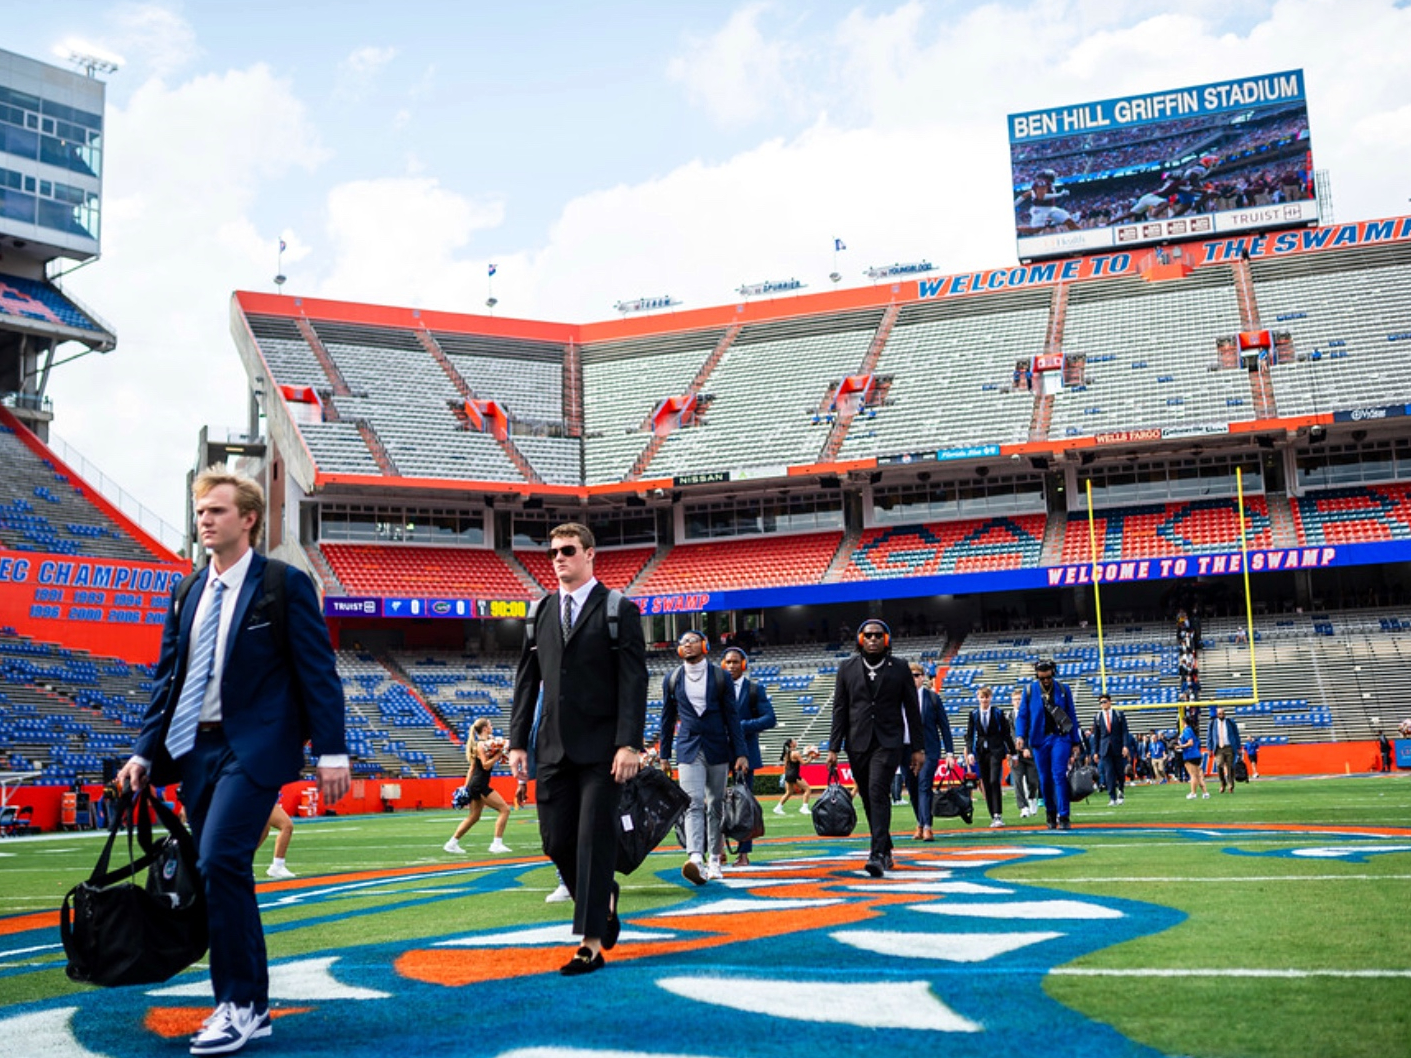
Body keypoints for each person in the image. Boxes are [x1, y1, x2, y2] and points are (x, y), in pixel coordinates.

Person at [116, 470, 348, 1056]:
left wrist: (331, 750)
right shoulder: (187, 590)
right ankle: (256, 1005)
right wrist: (145, 749)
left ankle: (236, 1003)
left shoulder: (283, 584)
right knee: (224, 872)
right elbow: (167, 680)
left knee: (220, 859)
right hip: (195, 751)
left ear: (248, 519)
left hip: (257, 747)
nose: (205, 520)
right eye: (200, 512)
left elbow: (318, 673)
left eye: (217, 510)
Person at [509, 522, 647, 976]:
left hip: (604, 751)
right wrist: (517, 742)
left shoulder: (617, 608)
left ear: (591, 555)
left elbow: (634, 680)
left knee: (593, 839)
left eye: (568, 550)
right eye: (553, 552)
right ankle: (604, 897)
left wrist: (630, 743)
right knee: (555, 841)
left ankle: (589, 943)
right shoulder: (540, 611)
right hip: (551, 748)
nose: (558, 558)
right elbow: (527, 681)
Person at [826, 619, 924, 877]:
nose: (873, 639)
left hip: (888, 741)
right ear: (860, 639)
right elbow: (840, 709)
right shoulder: (846, 668)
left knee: (877, 790)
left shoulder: (900, 667)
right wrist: (833, 747)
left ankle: (877, 854)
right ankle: (887, 846)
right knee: (869, 798)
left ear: (886, 639)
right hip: (857, 742)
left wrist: (917, 748)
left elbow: (912, 710)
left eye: (878, 635)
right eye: (868, 635)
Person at [658, 630, 748, 885]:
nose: (688, 645)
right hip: (687, 747)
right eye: (683, 642)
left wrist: (740, 752)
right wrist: (664, 753)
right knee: (694, 801)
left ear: (705, 645)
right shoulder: (672, 678)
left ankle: (715, 859)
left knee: (715, 804)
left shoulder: (720, 677)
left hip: (718, 746)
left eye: (693, 641)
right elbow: (666, 718)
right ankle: (695, 857)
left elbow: (732, 717)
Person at [721, 645, 776, 866]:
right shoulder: (715, 689)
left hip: (746, 754)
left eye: (736, 661)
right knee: (716, 802)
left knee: (744, 806)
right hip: (719, 752)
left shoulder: (754, 690)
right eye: (728, 662)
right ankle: (718, 850)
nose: (732, 665)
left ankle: (744, 854)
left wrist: (741, 726)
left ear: (743, 665)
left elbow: (769, 718)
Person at [1014, 659, 1081, 830]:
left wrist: (1075, 741)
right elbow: (1022, 715)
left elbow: (1071, 715)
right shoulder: (1029, 691)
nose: (1045, 681)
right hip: (1039, 740)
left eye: (1048, 677)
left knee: (1059, 774)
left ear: (1053, 674)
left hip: (1060, 737)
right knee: (1044, 779)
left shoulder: (1063, 690)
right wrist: (1020, 735)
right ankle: (1050, 813)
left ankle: (1064, 815)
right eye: (1042, 677)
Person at [444, 718, 513, 854]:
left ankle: (451, 843)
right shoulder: (481, 745)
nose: (492, 726)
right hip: (480, 785)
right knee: (505, 809)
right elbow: (486, 765)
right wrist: (499, 755)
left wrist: (466, 788)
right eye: (490, 724)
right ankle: (496, 844)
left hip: (475, 785)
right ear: (485, 728)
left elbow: (472, 768)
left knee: (474, 816)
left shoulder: (485, 744)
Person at [907, 663, 953, 841]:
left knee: (924, 785)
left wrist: (949, 752)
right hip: (907, 751)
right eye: (911, 676)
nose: (914, 679)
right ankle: (920, 823)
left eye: (917, 675)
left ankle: (927, 827)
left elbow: (944, 725)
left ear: (923, 677)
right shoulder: (899, 699)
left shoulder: (932, 698)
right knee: (912, 788)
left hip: (929, 750)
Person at [965, 686, 1014, 828]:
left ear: (990, 698)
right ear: (978, 698)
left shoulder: (998, 713)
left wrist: (1013, 752)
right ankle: (993, 815)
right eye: (982, 697)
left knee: (994, 780)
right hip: (981, 751)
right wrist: (970, 752)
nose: (984, 700)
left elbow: (1006, 733)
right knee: (985, 782)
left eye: (986, 697)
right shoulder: (974, 714)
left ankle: (998, 813)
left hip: (996, 750)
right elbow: (970, 735)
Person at [1007, 687, 1042, 819]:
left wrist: (1026, 747)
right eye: (1015, 700)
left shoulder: (1030, 715)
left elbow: (1031, 732)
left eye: (1019, 699)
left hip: (1029, 751)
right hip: (1015, 752)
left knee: (1033, 780)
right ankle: (1023, 806)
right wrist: (1010, 750)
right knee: (1017, 781)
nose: (1017, 702)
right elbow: (1008, 735)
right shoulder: (1008, 716)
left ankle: (1032, 798)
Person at [1092, 694, 1130, 807]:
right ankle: (1112, 797)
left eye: (1104, 701)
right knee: (1109, 773)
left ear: (1110, 702)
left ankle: (1121, 791)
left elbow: (1124, 731)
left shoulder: (1118, 715)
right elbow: (1096, 736)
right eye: (1101, 702)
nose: (1103, 704)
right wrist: (1095, 751)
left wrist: (1125, 746)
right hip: (1105, 748)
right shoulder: (1098, 717)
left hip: (1117, 747)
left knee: (1119, 771)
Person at [775, 738, 816, 814]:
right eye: (794, 741)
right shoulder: (796, 753)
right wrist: (811, 758)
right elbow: (804, 763)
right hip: (794, 774)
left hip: (788, 774)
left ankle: (778, 808)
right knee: (807, 789)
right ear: (791, 744)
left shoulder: (788, 753)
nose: (796, 741)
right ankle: (804, 808)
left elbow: (786, 765)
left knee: (789, 792)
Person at [258, 802, 297, 880]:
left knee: (263, 829)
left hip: (260, 796)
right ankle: (277, 866)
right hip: (260, 796)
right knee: (286, 826)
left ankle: (241, 861)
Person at [1207, 708, 1240, 793]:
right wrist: (1209, 748)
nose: (1221, 715)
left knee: (1230, 767)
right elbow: (1209, 736)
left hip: (1229, 747)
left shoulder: (1230, 722)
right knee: (1219, 765)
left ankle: (1230, 785)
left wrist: (1238, 746)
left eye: (1222, 713)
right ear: (1217, 714)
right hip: (1218, 748)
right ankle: (1223, 783)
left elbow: (1236, 734)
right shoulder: (1213, 723)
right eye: (1219, 714)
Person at [1179, 710, 1210, 800]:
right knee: (1198, 775)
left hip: (1190, 755)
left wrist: (1180, 746)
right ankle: (1205, 793)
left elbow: (1190, 742)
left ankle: (1193, 793)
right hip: (1196, 754)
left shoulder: (1187, 730)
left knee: (1193, 775)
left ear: (1184, 722)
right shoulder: (1192, 730)